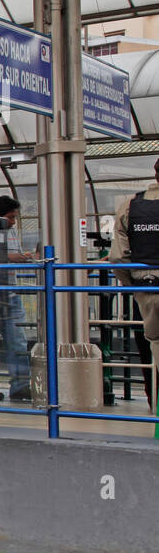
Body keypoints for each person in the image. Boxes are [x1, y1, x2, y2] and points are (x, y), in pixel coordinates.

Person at [107, 158, 159, 408]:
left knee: (154, 345)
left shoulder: (130, 205)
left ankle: (156, 404)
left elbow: (117, 256)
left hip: (145, 288)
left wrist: (131, 284)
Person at [0, 195, 33, 401]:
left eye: (14, 218)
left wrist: (23, 258)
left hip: (11, 293)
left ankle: (20, 385)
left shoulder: (11, 233)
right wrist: (10, 257)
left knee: (19, 342)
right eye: (10, 217)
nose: (13, 221)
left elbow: (15, 255)